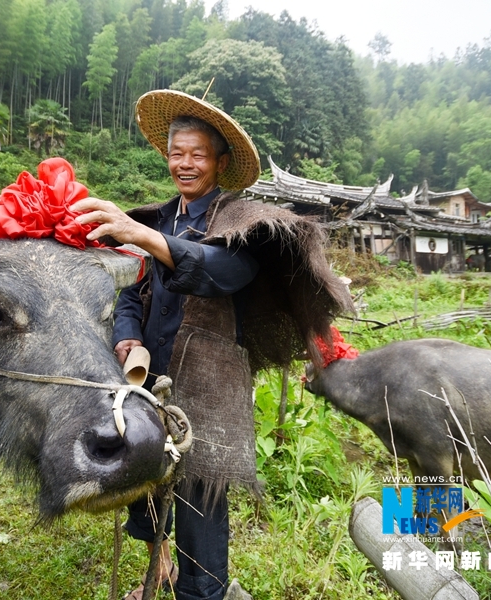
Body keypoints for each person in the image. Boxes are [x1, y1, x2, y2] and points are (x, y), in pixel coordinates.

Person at [73, 90, 353, 600]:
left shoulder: (242, 220)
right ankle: (157, 568)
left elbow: (224, 272)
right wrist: (127, 335)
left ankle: (201, 592)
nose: (185, 163)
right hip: (148, 376)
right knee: (145, 474)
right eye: (177, 152)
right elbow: (133, 293)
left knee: (201, 498)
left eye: (197, 154)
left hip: (210, 382)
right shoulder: (160, 220)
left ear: (220, 163)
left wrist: (138, 234)